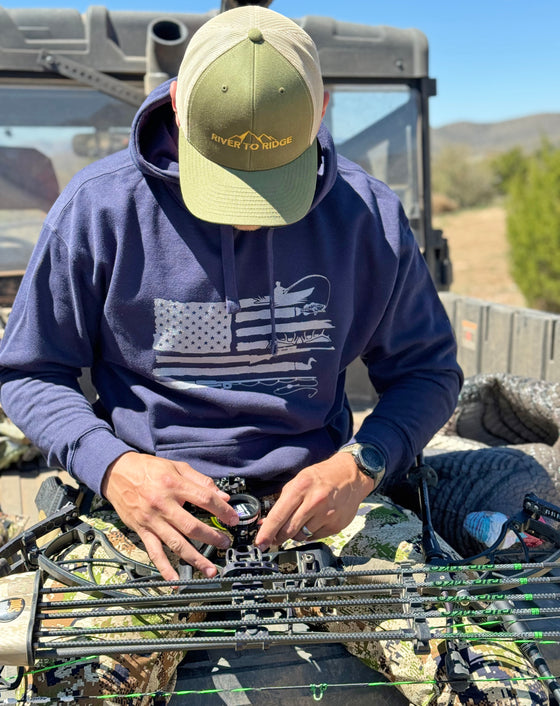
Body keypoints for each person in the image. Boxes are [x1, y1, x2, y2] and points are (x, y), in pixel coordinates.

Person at [3, 6, 539, 706]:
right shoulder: (98, 210)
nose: (246, 213)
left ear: (319, 111)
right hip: (151, 520)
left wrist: (364, 462)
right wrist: (116, 469)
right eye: (223, 177)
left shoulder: (368, 217)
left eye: (271, 180)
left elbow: (428, 371)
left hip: (325, 512)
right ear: (177, 106)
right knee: (65, 690)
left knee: (493, 682)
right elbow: (28, 370)